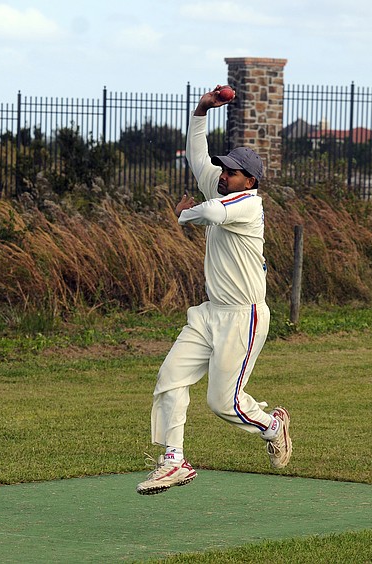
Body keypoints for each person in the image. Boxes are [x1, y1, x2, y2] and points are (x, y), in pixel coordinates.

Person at [137, 85, 292, 495]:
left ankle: (273, 425)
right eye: (223, 170)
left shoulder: (249, 204)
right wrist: (201, 111)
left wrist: (183, 215)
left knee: (223, 404)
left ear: (250, 180)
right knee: (170, 377)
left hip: (244, 316)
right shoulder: (221, 188)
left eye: (232, 172)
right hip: (210, 312)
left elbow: (208, 212)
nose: (223, 176)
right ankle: (174, 460)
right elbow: (196, 156)